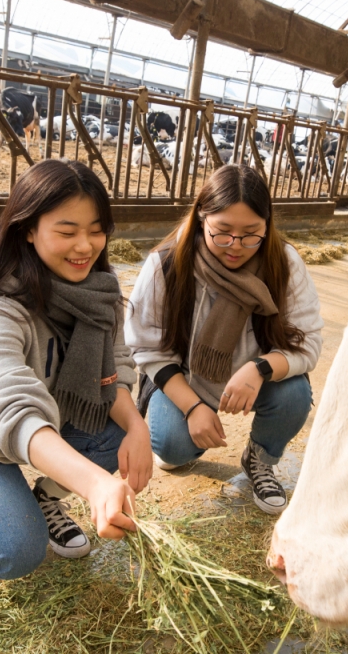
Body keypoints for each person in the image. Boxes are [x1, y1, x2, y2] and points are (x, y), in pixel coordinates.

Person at [0, 159, 152, 580]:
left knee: (114, 425)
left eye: (97, 230)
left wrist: (137, 427)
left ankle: (44, 497)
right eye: (67, 231)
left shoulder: (101, 295)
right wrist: (94, 484)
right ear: (27, 229)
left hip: (49, 424)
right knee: (17, 551)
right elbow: (14, 408)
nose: (85, 246)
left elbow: (115, 369)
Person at [125, 164, 322, 515]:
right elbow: (147, 349)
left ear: (267, 225)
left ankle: (260, 458)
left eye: (251, 234)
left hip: (255, 381)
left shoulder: (285, 262)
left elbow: (307, 344)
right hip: (185, 380)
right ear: (203, 217)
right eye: (223, 232)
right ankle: (183, 430)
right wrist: (194, 407)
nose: (236, 246)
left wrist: (260, 368)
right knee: (172, 448)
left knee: (296, 394)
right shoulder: (166, 265)